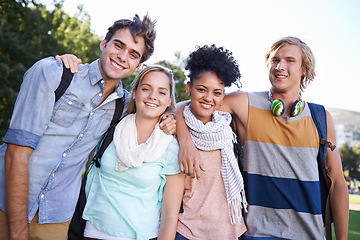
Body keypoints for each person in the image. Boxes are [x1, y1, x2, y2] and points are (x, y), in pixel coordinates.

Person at [0, 14, 175, 240]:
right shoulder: (54, 73)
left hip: (56, 216)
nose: (122, 57)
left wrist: (173, 119)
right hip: (6, 203)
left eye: (133, 54)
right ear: (104, 43)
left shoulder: (122, 106)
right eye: (118, 45)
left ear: (138, 65)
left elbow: (154, 105)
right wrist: (18, 232)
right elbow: (16, 153)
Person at [176, 37, 349, 239]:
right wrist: (186, 141)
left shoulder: (321, 118)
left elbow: (337, 183)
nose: (280, 66)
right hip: (257, 235)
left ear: (304, 69)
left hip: (309, 235)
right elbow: (188, 106)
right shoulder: (244, 103)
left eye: (289, 60)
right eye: (275, 60)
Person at [82, 65, 184, 240]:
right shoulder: (111, 127)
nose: (152, 96)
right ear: (135, 93)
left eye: (161, 92)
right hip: (94, 230)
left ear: (169, 100)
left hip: (140, 235)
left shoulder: (171, 147)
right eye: (146, 89)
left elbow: (170, 214)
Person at [175, 45, 247, 240]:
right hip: (187, 230)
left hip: (229, 229)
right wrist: (185, 140)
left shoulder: (227, 126)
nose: (208, 98)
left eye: (217, 92)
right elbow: (176, 107)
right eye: (201, 89)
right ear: (189, 88)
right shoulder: (174, 125)